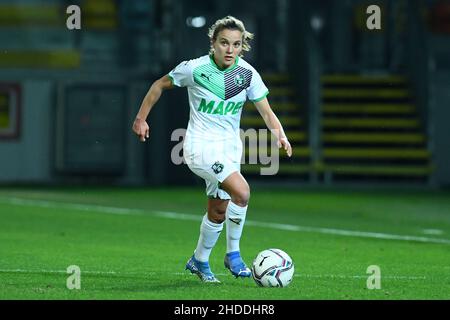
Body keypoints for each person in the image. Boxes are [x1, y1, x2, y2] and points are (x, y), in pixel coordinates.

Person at [132, 16, 292, 283]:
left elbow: (266, 111)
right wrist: (141, 117)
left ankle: (199, 260)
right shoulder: (194, 69)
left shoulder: (248, 75)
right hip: (199, 148)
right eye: (224, 43)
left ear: (243, 46)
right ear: (213, 43)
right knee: (242, 192)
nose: (230, 50)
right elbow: (159, 84)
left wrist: (281, 135)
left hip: (229, 150)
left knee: (218, 211)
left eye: (236, 44)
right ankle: (233, 254)